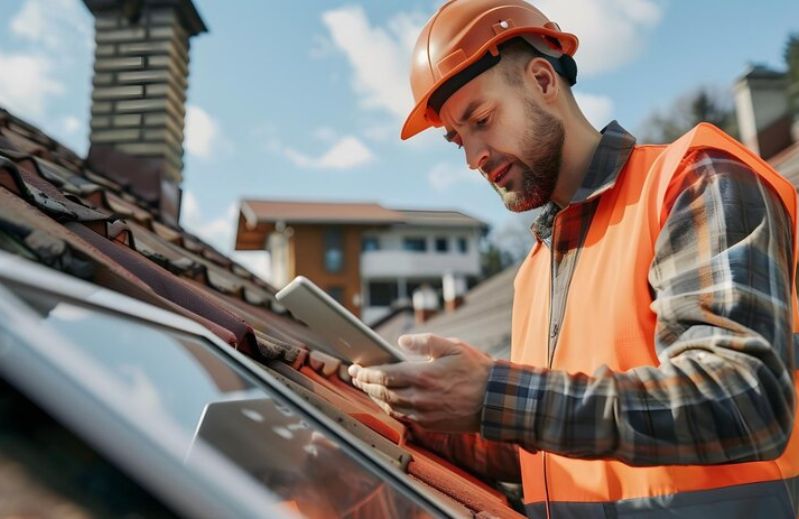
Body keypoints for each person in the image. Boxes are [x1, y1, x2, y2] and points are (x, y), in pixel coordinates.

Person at [347, 0, 799, 517]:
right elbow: (552, 446)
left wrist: (493, 396)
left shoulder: (692, 182)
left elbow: (743, 402)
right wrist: (425, 410)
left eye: (482, 119)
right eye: (458, 141)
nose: (474, 158)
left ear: (543, 81)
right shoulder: (535, 273)